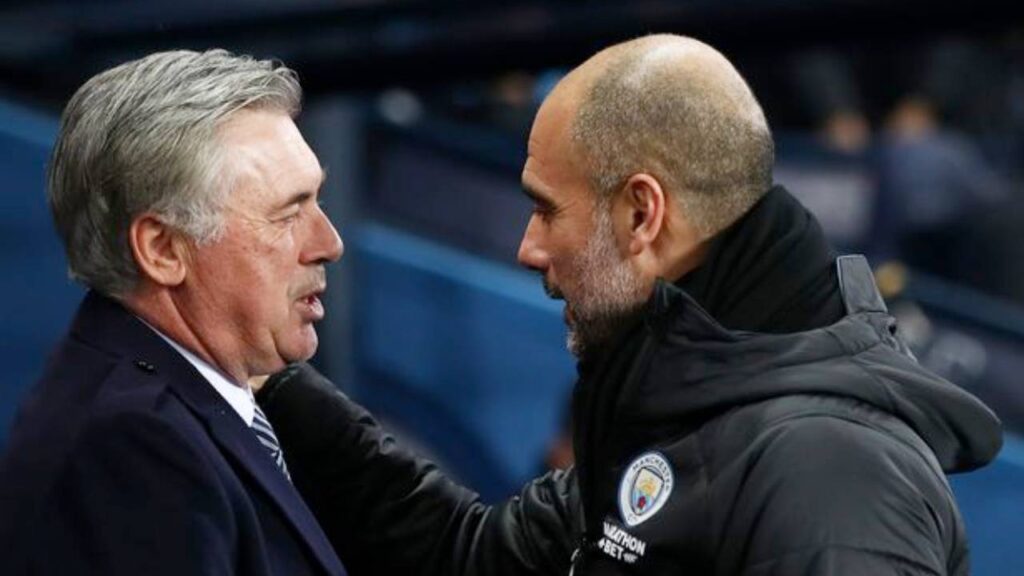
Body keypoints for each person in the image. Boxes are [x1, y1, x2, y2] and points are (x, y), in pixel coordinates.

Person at [256, 35, 1003, 575]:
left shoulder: (832, 475)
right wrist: (265, 374)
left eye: (546, 209)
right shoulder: (680, 403)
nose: (528, 248)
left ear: (642, 214)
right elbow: (471, 555)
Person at [0, 49, 347, 575]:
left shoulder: (186, 404)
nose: (329, 243)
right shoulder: (134, 447)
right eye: (287, 214)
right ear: (163, 250)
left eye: (317, 200)